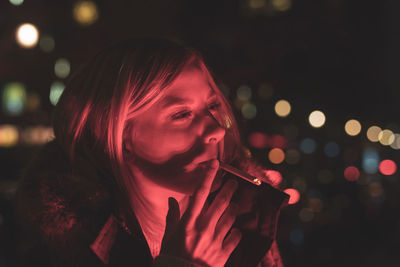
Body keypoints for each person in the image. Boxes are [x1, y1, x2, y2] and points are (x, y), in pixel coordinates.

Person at [15, 38, 288, 267]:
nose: (216, 130)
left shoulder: (248, 228)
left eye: (212, 106)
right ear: (118, 134)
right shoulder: (60, 252)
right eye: (182, 114)